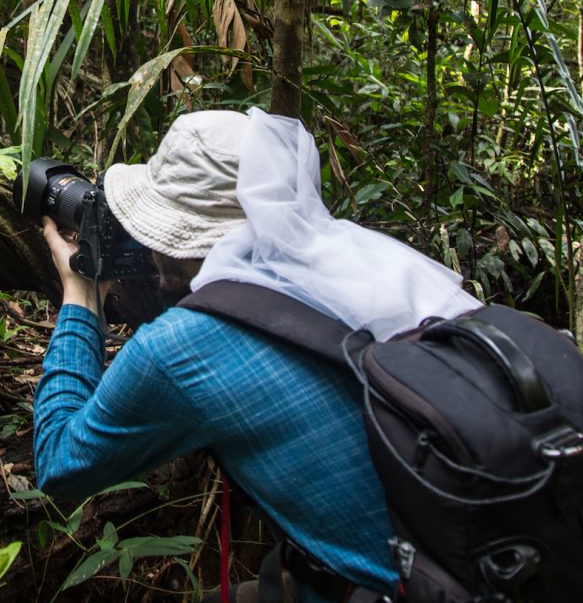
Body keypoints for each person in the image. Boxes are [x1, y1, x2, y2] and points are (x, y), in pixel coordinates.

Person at [32, 109, 481, 602]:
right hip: (489, 562)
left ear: (179, 234)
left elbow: (60, 463)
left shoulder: (184, 346)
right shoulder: (370, 268)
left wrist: (80, 295)